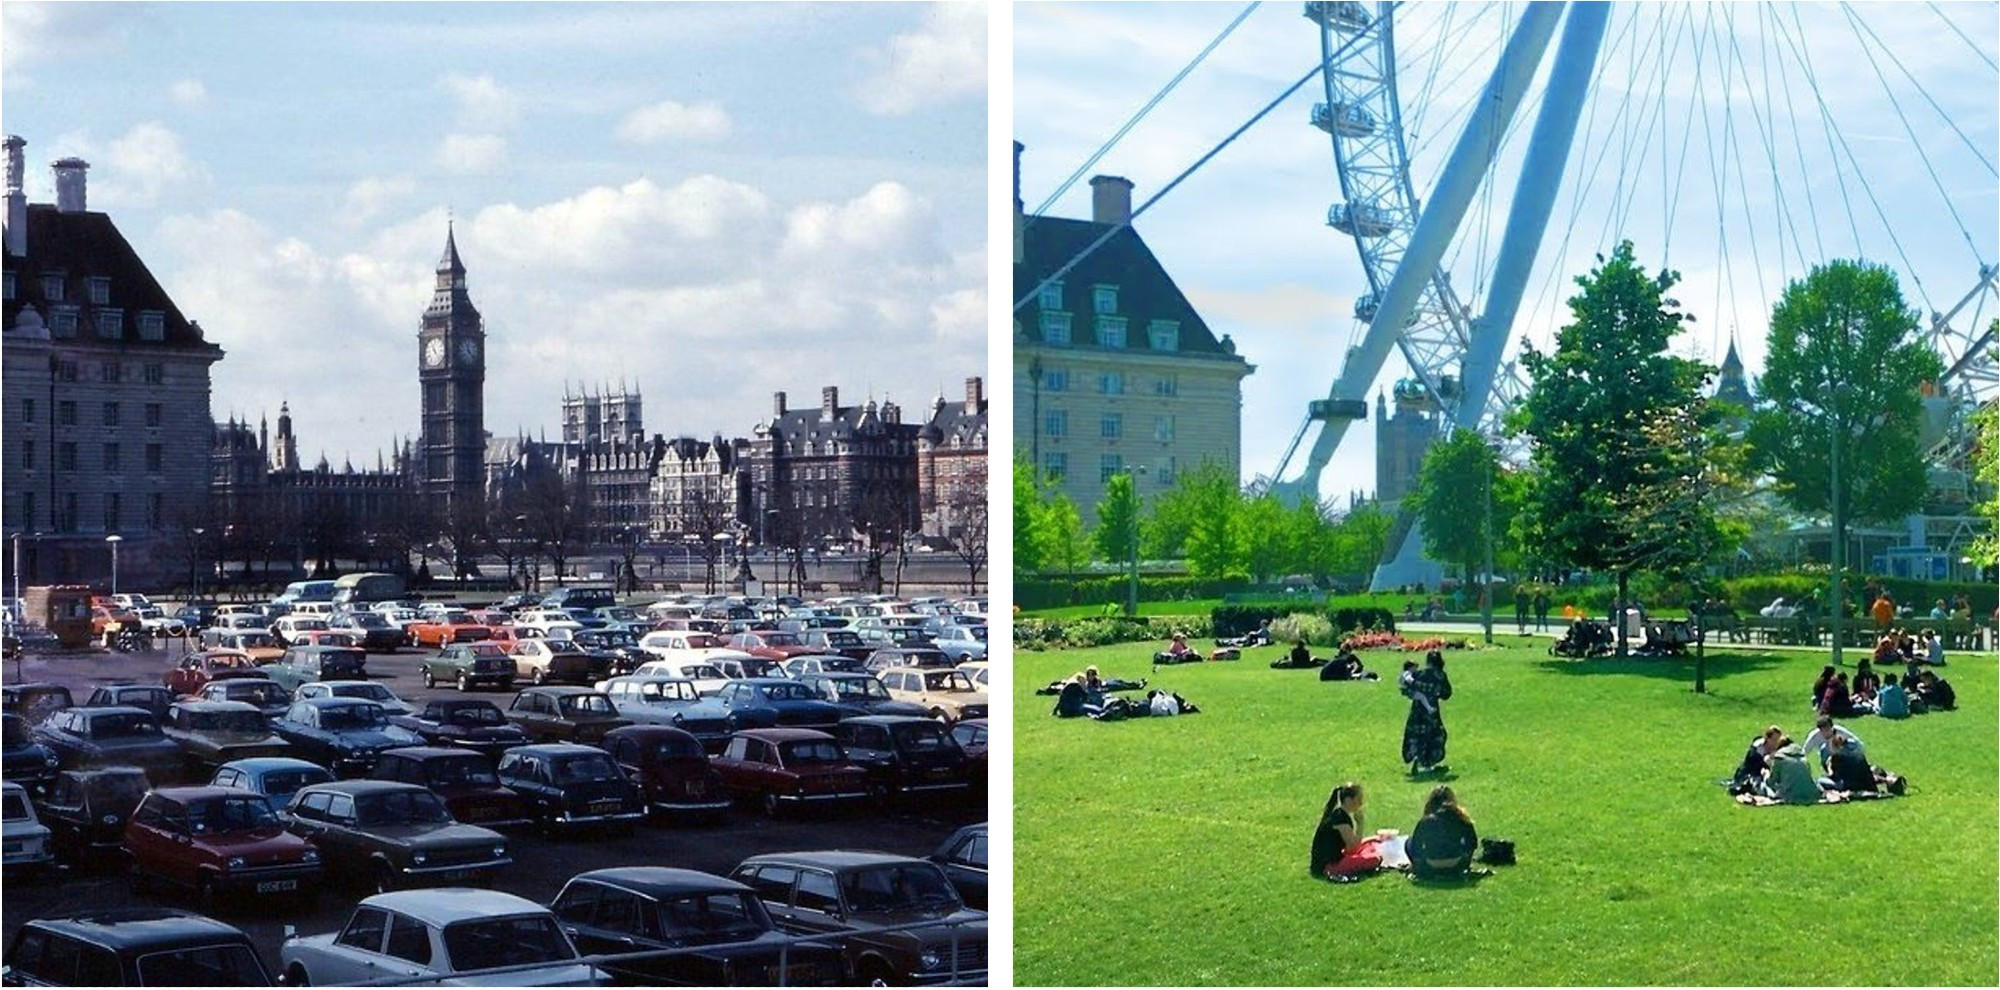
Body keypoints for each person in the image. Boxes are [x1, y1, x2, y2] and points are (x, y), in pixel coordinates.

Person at [1310, 781, 1386, 879]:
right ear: (1348, 800)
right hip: (1329, 866)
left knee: (1370, 845)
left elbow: (1350, 845)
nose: (1361, 803)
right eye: (1358, 800)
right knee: (1374, 859)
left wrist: (1370, 839)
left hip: (1337, 857)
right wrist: (1360, 824)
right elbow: (1353, 848)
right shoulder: (1340, 819)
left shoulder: (1339, 815)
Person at [1407, 785, 1479, 880]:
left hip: (1430, 865)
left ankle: (1420, 869)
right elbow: (1472, 843)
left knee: (1408, 842)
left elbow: (1416, 846)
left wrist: (1419, 863)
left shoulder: (1426, 821)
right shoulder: (1461, 818)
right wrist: (1465, 860)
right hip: (1456, 864)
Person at [1401, 651, 1453, 774]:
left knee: (1417, 735)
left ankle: (1416, 757)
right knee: (1436, 735)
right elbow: (1447, 693)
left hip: (1417, 709)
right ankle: (1429, 762)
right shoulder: (1440, 675)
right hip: (1432, 710)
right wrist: (1436, 693)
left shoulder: (1419, 674)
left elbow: (1406, 688)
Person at [1732, 726, 1788, 795]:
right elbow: (1757, 767)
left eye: (1778, 740)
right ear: (1767, 739)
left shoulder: (1779, 749)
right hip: (1750, 774)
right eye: (1774, 740)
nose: (1776, 743)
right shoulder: (1756, 751)